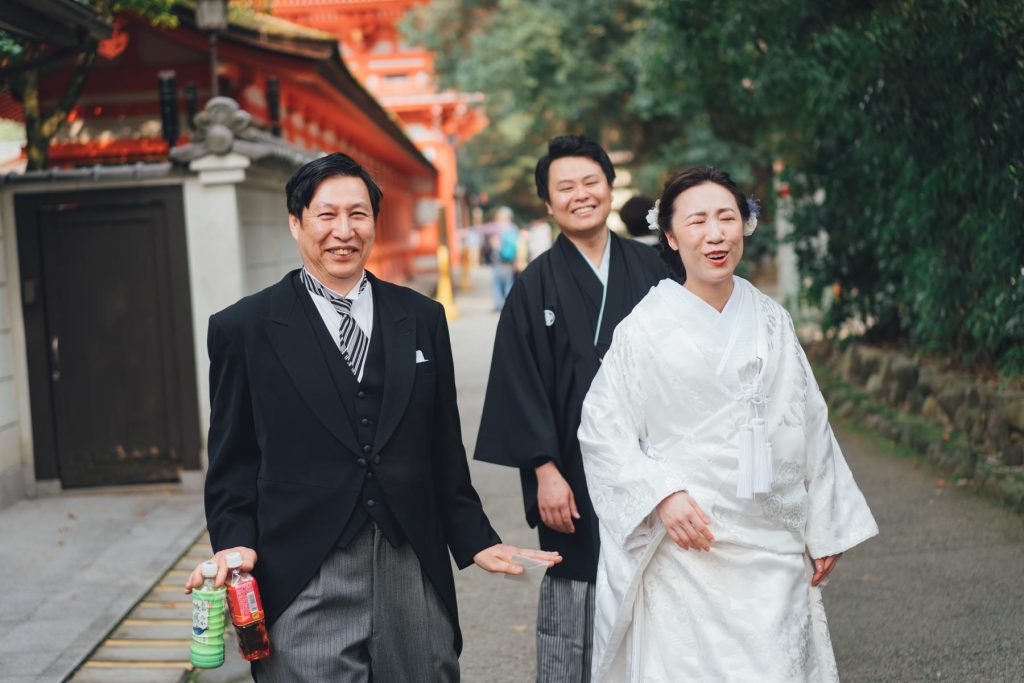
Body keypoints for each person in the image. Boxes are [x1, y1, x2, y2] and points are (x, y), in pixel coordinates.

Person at [184, 153, 560, 682]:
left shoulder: (422, 317)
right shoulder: (243, 328)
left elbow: (441, 449)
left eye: (358, 215)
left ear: (374, 223)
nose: (344, 231)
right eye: (327, 215)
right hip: (303, 564)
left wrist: (476, 538)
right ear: (296, 223)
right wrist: (234, 543)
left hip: (411, 556)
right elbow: (231, 458)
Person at [578, 166, 878, 682]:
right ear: (670, 236)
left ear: (746, 225)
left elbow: (809, 420)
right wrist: (659, 495)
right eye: (697, 221)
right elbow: (601, 431)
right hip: (687, 545)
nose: (715, 234)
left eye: (727, 217)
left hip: (770, 542)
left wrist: (826, 523)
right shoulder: (644, 329)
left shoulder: (770, 319)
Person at [474, 135, 668, 682]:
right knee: (574, 586)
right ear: (549, 202)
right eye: (566, 187)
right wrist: (543, 471)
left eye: (591, 182)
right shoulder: (532, 285)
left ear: (608, 188)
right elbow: (519, 383)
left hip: (654, 463)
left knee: (659, 579)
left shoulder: (654, 267)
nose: (581, 195)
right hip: (572, 472)